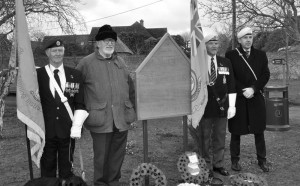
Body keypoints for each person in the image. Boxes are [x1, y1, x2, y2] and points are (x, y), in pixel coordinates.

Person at [76, 24, 136, 186]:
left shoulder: (121, 62)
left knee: (118, 155)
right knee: (101, 157)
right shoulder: (86, 63)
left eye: (112, 41)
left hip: (121, 118)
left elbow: (131, 88)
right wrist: (78, 116)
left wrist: (133, 110)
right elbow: (75, 90)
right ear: (98, 43)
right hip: (100, 120)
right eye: (105, 40)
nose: (110, 44)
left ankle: (114, 182)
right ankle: (101, 184)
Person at [38, 39, 87, 178]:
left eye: (60, 50)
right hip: (46, 130)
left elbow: (80, 103)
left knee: (66, 169)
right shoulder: (38, 75)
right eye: (54, 51)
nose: (58, 53)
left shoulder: (75, 75)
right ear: (48, 53)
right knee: (47, 168)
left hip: (68, 129)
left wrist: (77, 126)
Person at [225, 27, 270, 172]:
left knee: (259, 131)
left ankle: (262, 160)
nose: (248, 40)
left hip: (255, 97)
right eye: (245, 37)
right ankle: (234, 161)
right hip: (239, 98)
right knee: (236, 132)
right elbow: (231, 77)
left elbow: (265, 75)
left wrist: (254, 89)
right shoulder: (231, 55)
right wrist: (243, 90)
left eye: (250, 37)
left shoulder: (261, 55)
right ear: (239, 40)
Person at [196, 34, 236, 177]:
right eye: (210, 43)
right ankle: (207, 166)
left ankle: (218, 164)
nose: (214, 45)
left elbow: (231, 84)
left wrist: (232, 106)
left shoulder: (225, 62)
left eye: (216, 43)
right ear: (205, 45)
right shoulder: (198, 63)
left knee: (220, 137)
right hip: (204, 107)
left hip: (221, 106)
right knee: (205, 138)